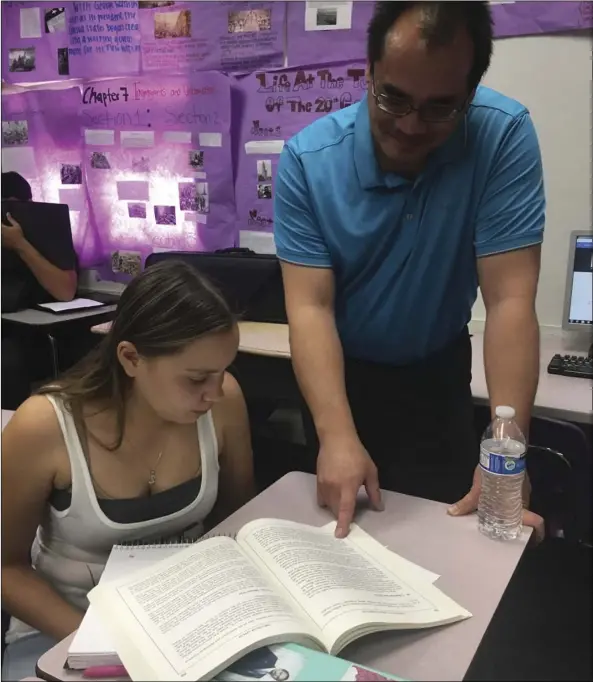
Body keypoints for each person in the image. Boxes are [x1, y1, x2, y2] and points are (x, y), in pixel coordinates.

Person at [274, 1, 545, 539]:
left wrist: (507, 453)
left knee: (450, 537)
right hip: (342, 381)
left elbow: (510, 300)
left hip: (436, 375)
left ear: (469, 93)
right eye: (392, 97)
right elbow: (310, 308)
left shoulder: (502, 135)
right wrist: (336, 434)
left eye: (440, 107)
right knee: (344, 539)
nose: (409, 125)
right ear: (368, 71)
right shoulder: (308, 160)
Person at [1, 260, 255, 680]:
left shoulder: (223, 401)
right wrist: (100, 645)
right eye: (196, 379)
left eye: (224, 371)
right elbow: (6, 568)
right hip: (63, 630)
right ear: (132, 358)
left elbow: (233, 528)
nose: (215, 392)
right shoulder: (45, 427)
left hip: (178, 626)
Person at [2, 171, 78, 409]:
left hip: (29, 336)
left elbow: (65, 290)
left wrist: (20, 244)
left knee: (7, 359)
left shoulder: (44, 232)